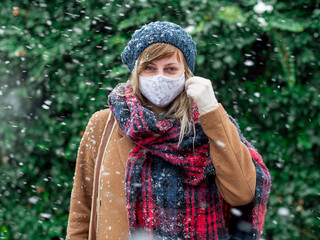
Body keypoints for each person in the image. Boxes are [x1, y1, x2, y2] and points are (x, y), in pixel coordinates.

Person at [66, 21, 271, 240]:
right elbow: (82, 210)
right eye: (149, 68)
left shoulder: (210, 125)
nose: (159, 77)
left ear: (187, 75)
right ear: (136, 72)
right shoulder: (104, 124)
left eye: (171, 68)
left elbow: (242, 193)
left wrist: (211, 110)